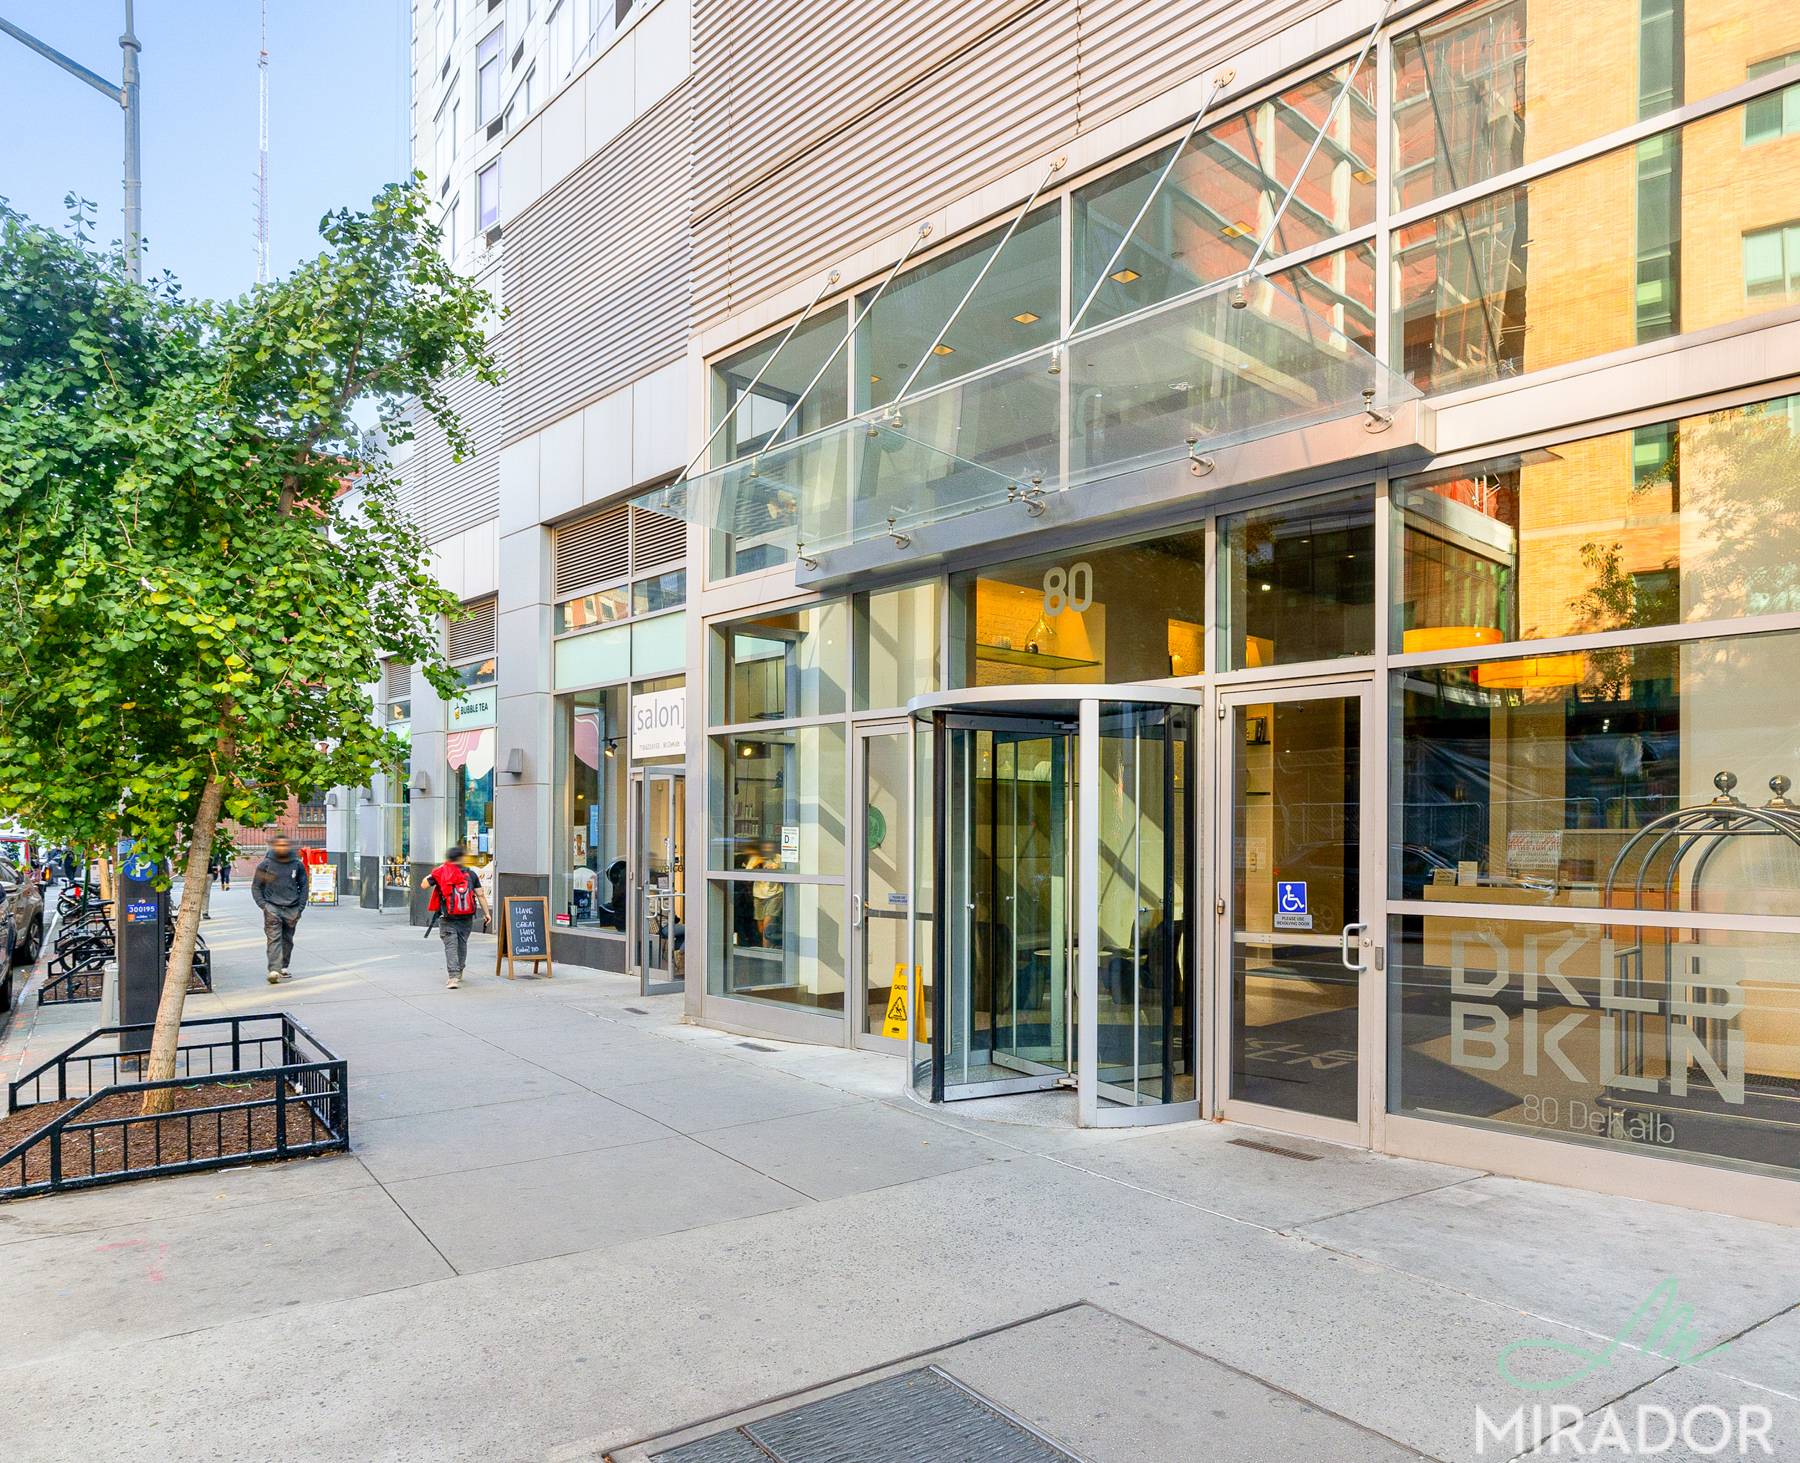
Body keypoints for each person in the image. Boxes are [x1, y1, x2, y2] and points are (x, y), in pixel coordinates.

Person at [422, 845, 491, 989]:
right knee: (462, 943)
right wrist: (487, 913)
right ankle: (459, 971)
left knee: (450, 945)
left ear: (448, 858)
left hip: (447, 917)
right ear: (461, 858)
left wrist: (437, 870)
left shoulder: (441, 872)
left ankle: (453, 977)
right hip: (466, 917)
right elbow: (480, 895)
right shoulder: (470, 874)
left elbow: (423, 885)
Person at [250, 835, 308, 984]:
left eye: (284, 845)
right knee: (274, 938)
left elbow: (304, 886)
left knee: (287, 939)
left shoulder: (297, 864)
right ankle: (274, 970)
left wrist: (300, 907)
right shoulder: (266, 865)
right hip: (272, 907)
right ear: (274, 847)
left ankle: (283, 966)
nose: (282, 848)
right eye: (279, 845)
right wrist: (264, 906)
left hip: (292, 908)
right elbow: (256, 886)